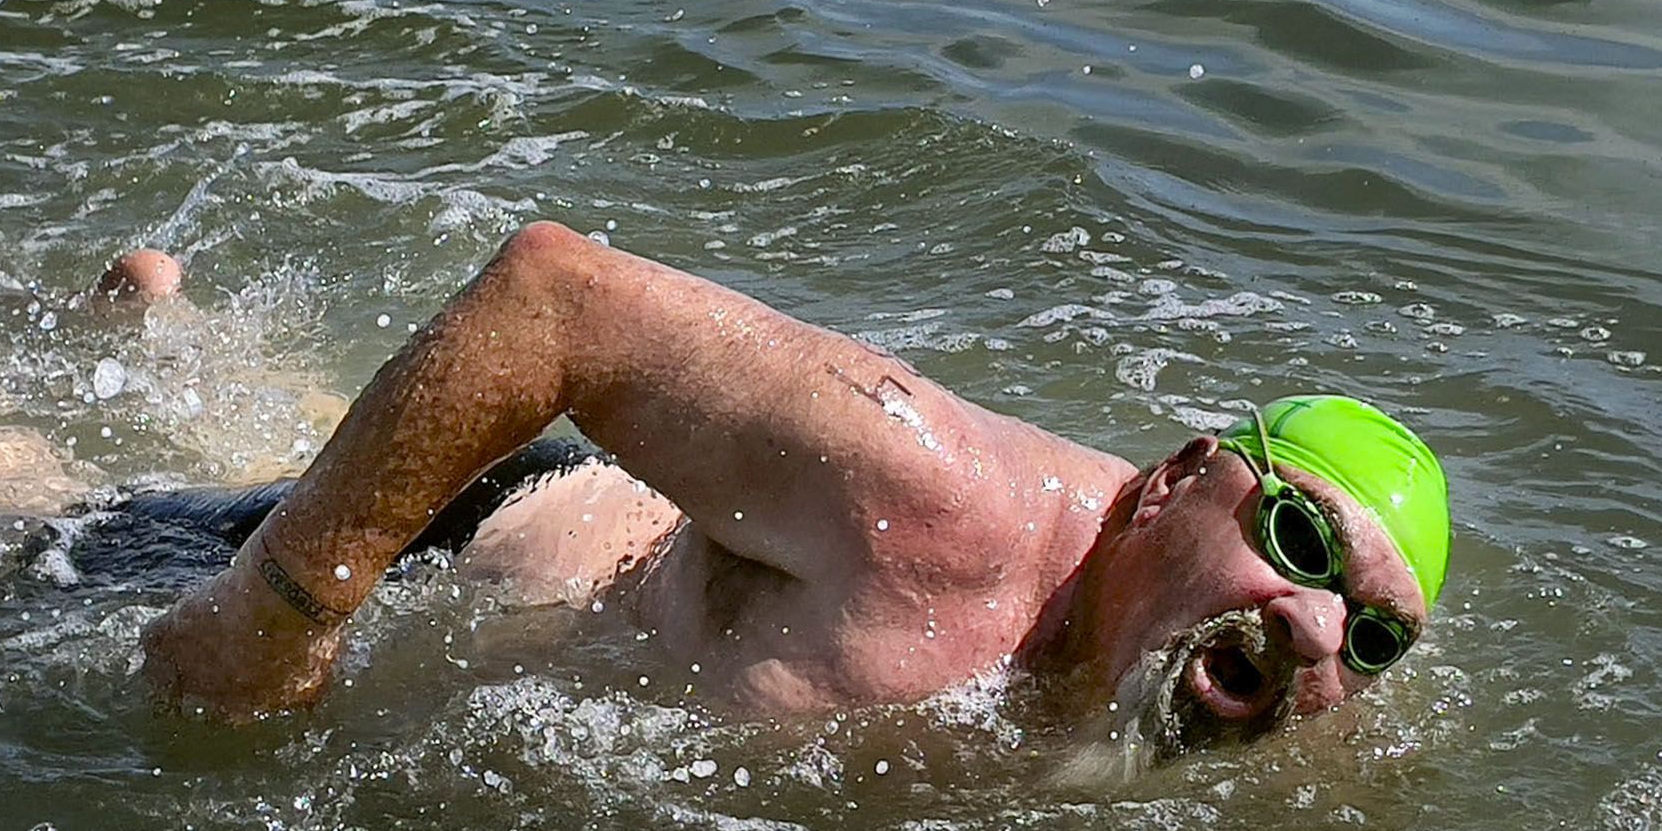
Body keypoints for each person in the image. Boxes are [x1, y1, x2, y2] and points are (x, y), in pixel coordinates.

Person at [122, 222, 1452, 762]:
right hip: (483, 536)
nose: (1320, 630)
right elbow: (548, 297)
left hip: (660, 530)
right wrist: (282, 610)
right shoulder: (945, 501)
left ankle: (174, 330)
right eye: (1297, 538)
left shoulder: (1261, 712)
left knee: (291, 436)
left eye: (1374, 635)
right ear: (1175, 482)